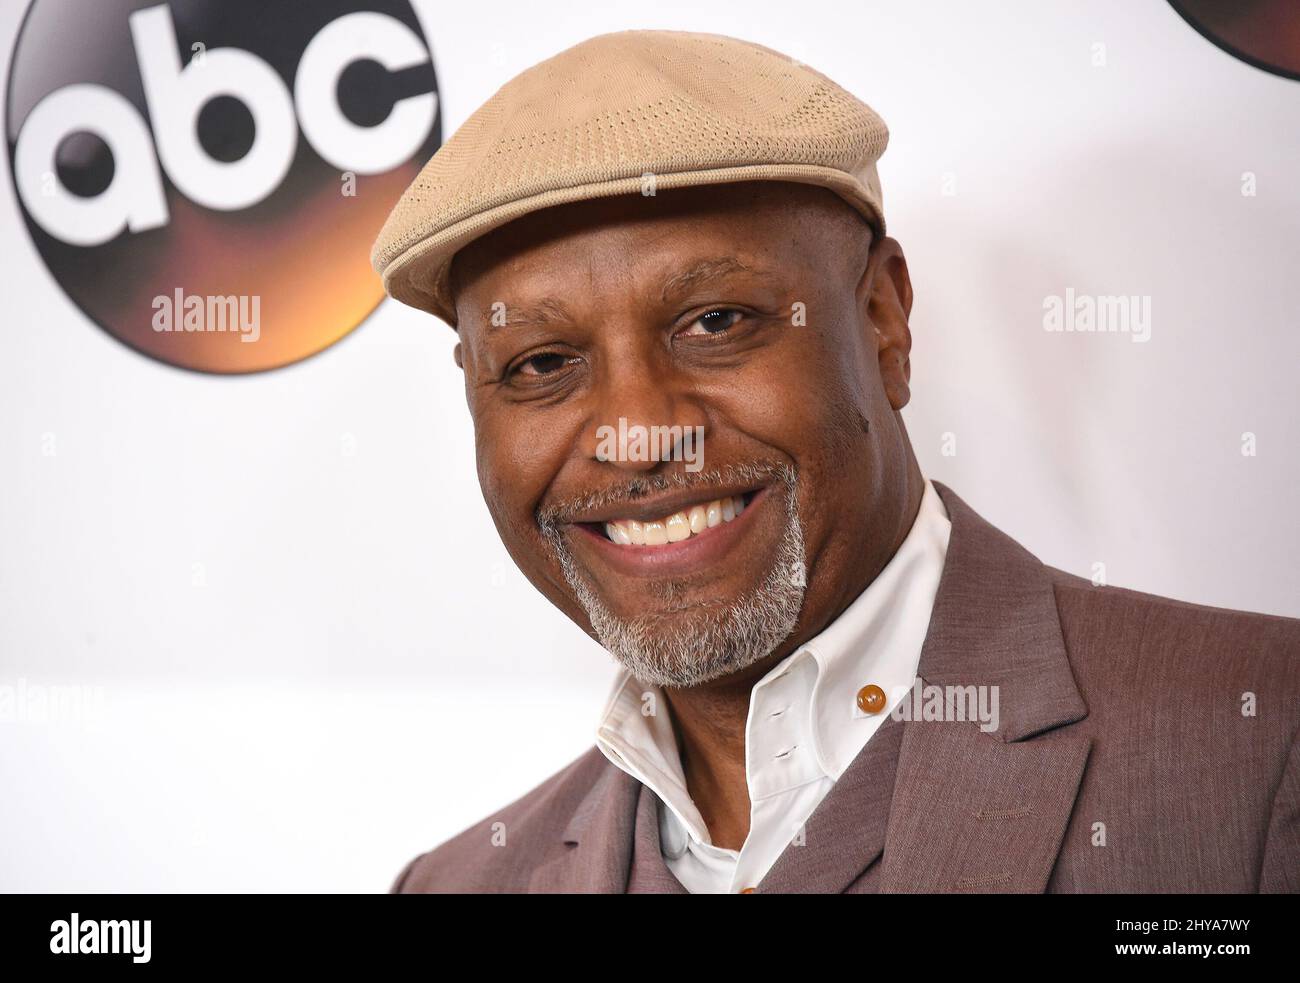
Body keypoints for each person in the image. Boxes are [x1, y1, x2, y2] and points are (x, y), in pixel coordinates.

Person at [370, 30, 1299, 893]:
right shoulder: (460, 882)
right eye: (540, 364)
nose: (639, 432)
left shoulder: (1260, 742)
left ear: (886, 321)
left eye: (717, 322)